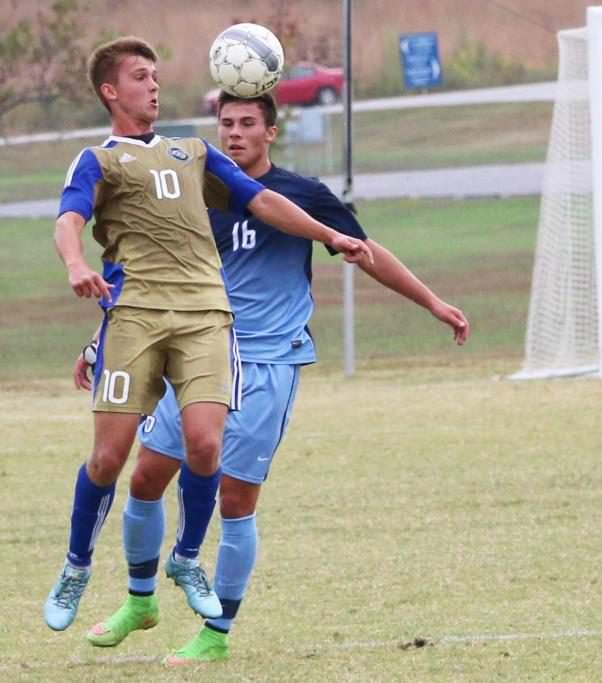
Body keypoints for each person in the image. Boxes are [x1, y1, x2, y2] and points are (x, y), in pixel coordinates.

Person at [77, 91, 470, 664]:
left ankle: (216, 636)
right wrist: (99, 341)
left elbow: (366, 250)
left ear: (271, 133)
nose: (234, 133)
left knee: (235, 499)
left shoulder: (302, 197)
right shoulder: (193, 191)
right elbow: (143, 274)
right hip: (197, 355)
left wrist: (433, 303)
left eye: (246, 124)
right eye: (226, 124)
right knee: (144, 477)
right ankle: (140, 602)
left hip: (267, 363)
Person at [44, 38, 372, 633]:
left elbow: (264, 200)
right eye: (140, 77)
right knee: (115, 460)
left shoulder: (191, 152)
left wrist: (331, 235)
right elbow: (69, 218)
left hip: (204, 323)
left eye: (156, 75)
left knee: (205, 450)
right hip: (138, 321)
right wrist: (75, 266)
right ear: (110, 92)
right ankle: (79, 568)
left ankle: (188, 560)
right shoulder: (98, 160)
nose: (154, 85)